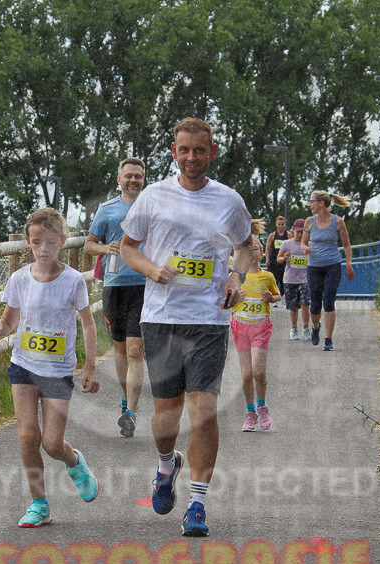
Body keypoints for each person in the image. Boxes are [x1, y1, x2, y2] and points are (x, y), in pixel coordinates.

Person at [120, 117, 253, 537]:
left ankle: (196, 504)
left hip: (209, 320)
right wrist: (151, 269)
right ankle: (166, 464)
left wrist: (237, 277)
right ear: (174, 152)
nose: (192, 157)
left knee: (204, 411)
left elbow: (246, 247)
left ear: (211, 152)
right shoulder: (154, 196)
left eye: (200, 150)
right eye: (184, 150)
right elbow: (127, 247)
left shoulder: (229, 200)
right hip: (161, 318)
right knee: (166, 416)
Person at [0, 207, 101, 528]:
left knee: (51, 443)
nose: (44, 249)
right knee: (27, 437)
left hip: (57, 372)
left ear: (62, 241)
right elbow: (10, 320)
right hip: (23, 366)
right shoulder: (19, 279)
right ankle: (39, 504)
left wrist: (89, 367)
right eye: (37, 242)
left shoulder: (74, 280)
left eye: (51, 242)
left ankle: (75, 462)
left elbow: (88, 325)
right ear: (29, 243)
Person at [84, 157, 147, 437]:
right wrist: (105, 249)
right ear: (119, 180)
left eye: (138, 176)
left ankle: (131, 411)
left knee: (136, 350)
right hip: (115, 285)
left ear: (144, 180)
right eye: (129, 176)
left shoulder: (152, 206)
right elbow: (89, 244)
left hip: (144, 285)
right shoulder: (107, 209)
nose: (133, 180)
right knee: (120, 350)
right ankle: (126, 400)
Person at [233, 226, 280, 431]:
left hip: (261, 327)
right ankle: (250, 412)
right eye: (248, 249)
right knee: (246, 375)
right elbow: (225, 299)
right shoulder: (236, 276)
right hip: (240, 326)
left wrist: (271, 298)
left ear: (261, 252)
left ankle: (262, 407)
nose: (252, 253)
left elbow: (277, 295)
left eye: (256, 249)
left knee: (259, 372)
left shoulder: (267, 276)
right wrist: (236, 296)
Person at [302, 190, 355, 350]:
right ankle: (316, 327)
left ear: (321, 203)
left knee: (329, 301)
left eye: (312, 201)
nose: (309, 204)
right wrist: (305, 248)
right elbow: (303, 243)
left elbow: (346, 244)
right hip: (314, 266)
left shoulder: (338, 222)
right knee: (315, 305)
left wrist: (348, 264)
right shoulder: (309, 222)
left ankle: (328, 339)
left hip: (333, 265)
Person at [276, 218, 313, 341]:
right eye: (298, 231)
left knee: (305, 304)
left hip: (305, 279)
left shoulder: (309, 245)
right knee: (293, 307)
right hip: (290, 279)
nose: (300, 234)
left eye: (302, 231)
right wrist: (284, 257)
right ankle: (294, 328)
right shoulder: (286, 244)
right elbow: (278, 259)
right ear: (293, 230)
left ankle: (306, 328)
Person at [263, 215, 289, 305]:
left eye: (282, 224)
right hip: (274, 261)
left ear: (284, 225)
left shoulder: (288, 235)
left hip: (284, 261)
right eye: (279, 224)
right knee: (274, 279)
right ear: (276, 224)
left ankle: (283, 296)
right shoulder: (272, 235)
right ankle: (274, 298)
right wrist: (267, 260)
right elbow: (267, 248)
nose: (280, 226)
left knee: (284, 279)